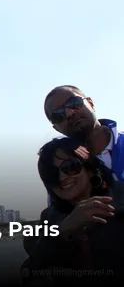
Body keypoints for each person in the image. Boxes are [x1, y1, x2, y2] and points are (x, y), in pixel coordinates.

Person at [24, 85, 124, 255]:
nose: (70, 114)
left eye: (74, 103)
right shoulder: (63, 177)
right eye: (58, 115)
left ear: (90, 103)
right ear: (56, 128)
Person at [21, 137, 123, 284]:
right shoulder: (48, 221)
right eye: (51, 174)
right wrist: (62, 231)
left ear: (90, 169)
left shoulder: (120, 204)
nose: (62, 178)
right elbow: (28, 273)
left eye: (70, 167)